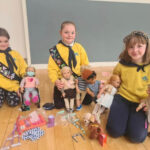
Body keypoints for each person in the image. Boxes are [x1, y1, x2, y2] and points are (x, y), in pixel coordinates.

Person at [106, 31, 150, 143]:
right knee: (114, 132)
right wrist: (110, 84)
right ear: (126, 49)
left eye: (139, 46)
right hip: (122, 98)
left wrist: (147, 101)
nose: (135, 50)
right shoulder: (122, 64)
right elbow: (114, 77)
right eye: (131, 47)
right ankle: (123, 118)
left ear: (147, 46)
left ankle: (136, 122)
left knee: (137, 138)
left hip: (141, 102)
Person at [48, 21, 89, 109]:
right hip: (63, 81)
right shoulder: (55, 50)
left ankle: (76, 97)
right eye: (66, 32)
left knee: (84, 101)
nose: (69, 35)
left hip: (76, 81)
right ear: (60, 33)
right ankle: (61, 93)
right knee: (59, 106)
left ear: (75, 34)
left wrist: (86, 77)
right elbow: (52, 69)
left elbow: (85, 64)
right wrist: (56, 81)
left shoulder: (79, 47)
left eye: (72, 32)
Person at [0, 28, 27, 107]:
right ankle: (3, 94)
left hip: (14, 83)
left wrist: (25, 78)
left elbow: (23, 67)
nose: (3, 44)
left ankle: (6, 95)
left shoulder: (16, 54)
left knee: (14, 102)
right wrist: (14, 88)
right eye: (0, 41)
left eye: (6, 41)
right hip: (2, 84)